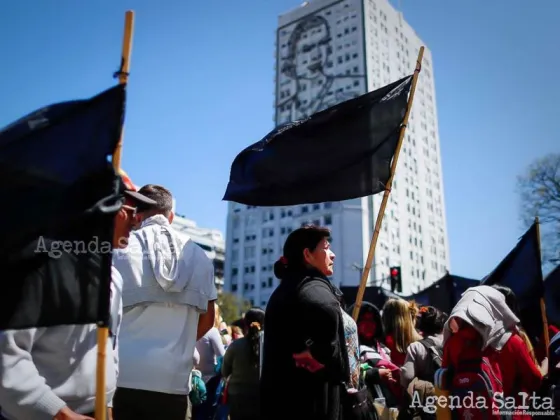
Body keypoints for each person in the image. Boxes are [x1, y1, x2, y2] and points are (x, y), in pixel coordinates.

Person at [0, 173, 156, 420]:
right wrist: (60, 413)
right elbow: (7, 355)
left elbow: (108, 349)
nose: (137, 220)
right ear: (102, 207)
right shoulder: (39, 267)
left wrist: (107, 405)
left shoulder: (113, 277)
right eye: (130, 208)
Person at [112, 185, 217, 420]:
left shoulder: (119, 248)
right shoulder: (199, 256)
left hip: (121, 378)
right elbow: (208, 320)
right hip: (174, 383)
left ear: (135, 214)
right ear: (171, 216)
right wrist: (180, 339)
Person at [260, 225, 350, 420]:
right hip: (312, 405)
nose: (332, 255)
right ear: (307, 254)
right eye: (325, 248)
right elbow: (324, 307)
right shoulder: (311, 289)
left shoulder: (288, 288)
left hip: (283, 403)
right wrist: (321, 352)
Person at [221, 308, 265, 420]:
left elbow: (225, 371)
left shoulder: (235, 346)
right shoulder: (270, 346)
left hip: (237, 397)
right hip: (261, 396)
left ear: (245, 324)